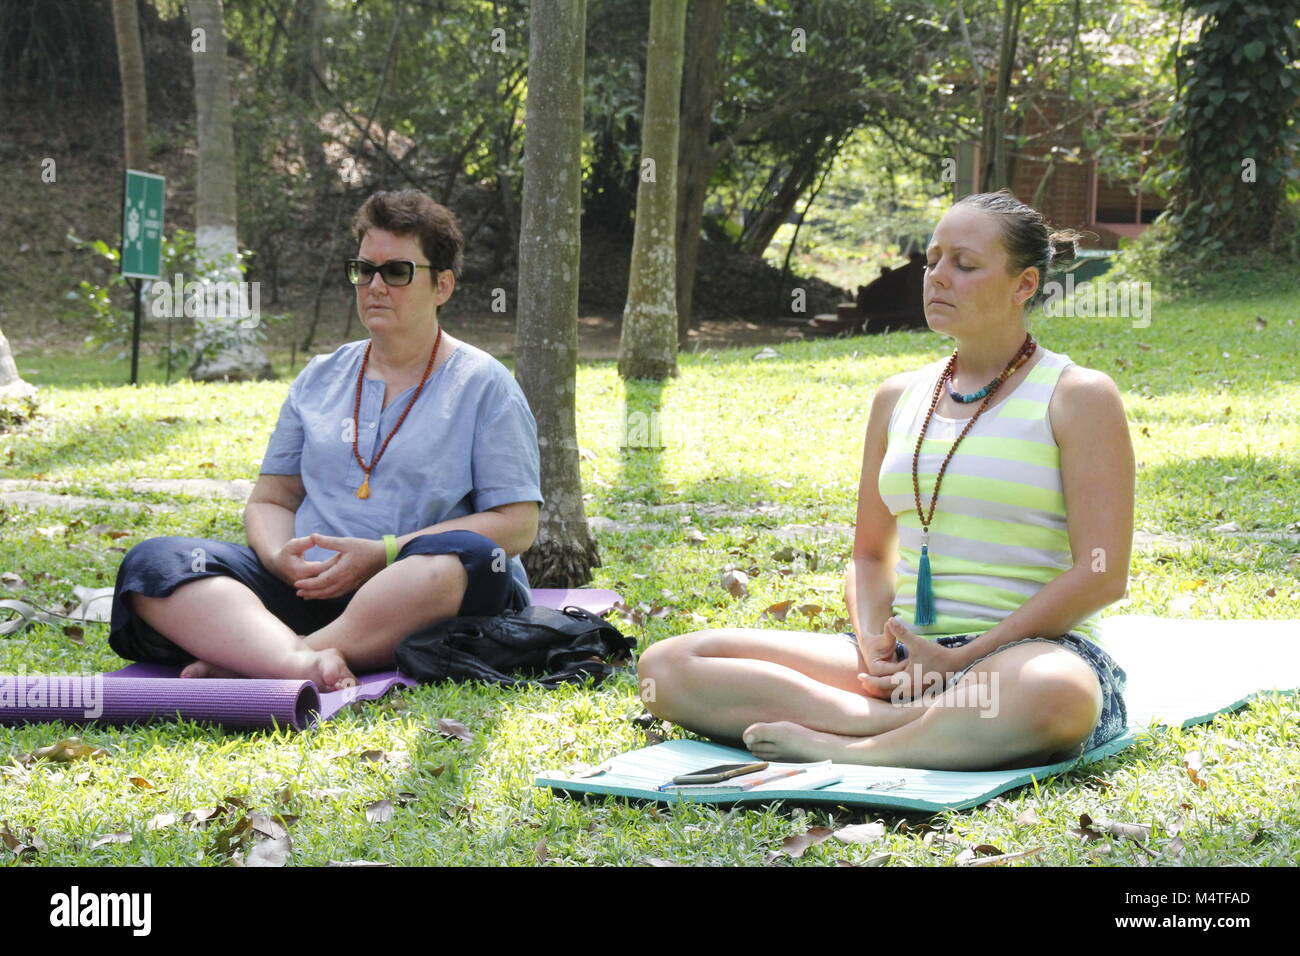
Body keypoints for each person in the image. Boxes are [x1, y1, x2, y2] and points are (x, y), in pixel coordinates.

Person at [638, 189, 1133, 771]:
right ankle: (890, 724)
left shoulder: (1078, 396)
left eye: (965, 265)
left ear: (1024, 284)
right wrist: (876, 646)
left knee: (1055, 695)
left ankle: (853, 745)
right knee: (668, 666)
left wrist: (962, 659)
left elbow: (1101, 576)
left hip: (1025, 655)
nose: (937, 278)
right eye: (933, 260)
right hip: (905, 662)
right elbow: (870, 555)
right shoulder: (898, 397)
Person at [108, 190, 542, 691]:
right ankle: (294, 662)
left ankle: (262, 659)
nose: (375, 286)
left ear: (442, 285)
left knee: (467, 555)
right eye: (364, 270)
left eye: (397, 272)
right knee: (155, 563)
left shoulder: (485, 384)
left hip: (416, 588)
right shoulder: (321, 376)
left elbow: (517, 526)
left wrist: (384, 553)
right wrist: (278, 559)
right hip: (310, 588)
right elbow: (273, 498)